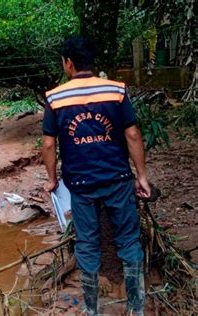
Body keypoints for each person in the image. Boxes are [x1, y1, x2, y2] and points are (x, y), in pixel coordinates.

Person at [42, 36, 151, 315]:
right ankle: (136, 309)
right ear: (92, 61)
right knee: (128, 240)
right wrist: (141, 176)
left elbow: (48, 144)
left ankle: (92, 311)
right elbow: (133, 134)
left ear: (68, 63)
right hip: (117, 179)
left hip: (80, 184)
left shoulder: (55, 97)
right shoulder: (115, 91)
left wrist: (53, 180)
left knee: (88, 245)